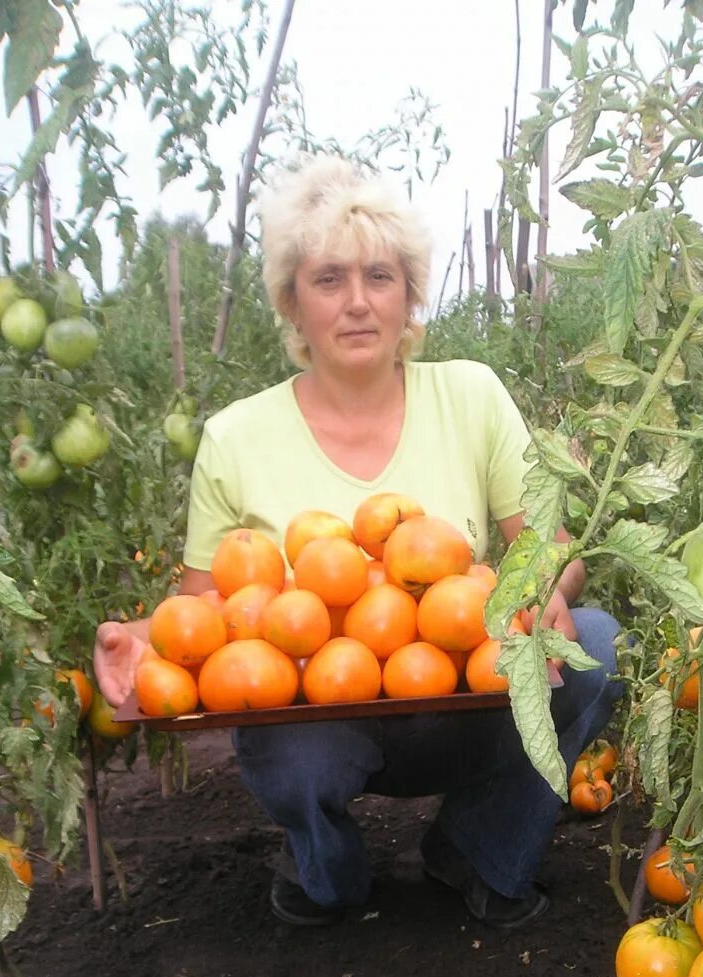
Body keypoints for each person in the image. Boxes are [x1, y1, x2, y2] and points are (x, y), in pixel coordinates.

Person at [95, 155, 623, 931]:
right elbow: (205, 607)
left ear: (409, 294)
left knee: (600, 649)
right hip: (318, 714)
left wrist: (545, 594)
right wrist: (140, 640)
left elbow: (551, 545)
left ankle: (478, 852)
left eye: (380, 276)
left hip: (467, 695)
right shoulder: (237, 437)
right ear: (291, 300)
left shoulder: (471, 396)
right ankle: (327, 873)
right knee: (290, 757)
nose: (357, 304)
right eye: (328, 278)